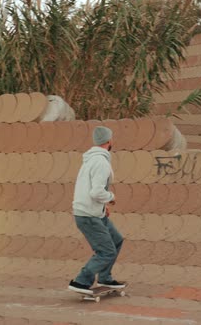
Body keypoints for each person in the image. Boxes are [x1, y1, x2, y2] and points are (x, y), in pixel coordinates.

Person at [68, 126, 126, 294]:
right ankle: (81, 281)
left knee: (116, 239)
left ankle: (105, 277)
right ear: (109, 141)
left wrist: (103, 206)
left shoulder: (91, 160)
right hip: (88, 215)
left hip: (94, 212)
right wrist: (111, 197)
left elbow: (89, 189)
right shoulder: (101, 162)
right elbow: (96, 191)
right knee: (106, 251)